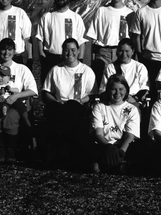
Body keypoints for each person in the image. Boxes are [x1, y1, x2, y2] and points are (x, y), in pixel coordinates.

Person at [42, 38, 97, 167]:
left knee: (72, 108)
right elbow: (46, 92)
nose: (70, 53)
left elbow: (92, 95)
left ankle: (71, 152)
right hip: (60, 105)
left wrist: (79, 101)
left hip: (79, 106)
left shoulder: (86, 70)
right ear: (62, 52)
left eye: (73, 50)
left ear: (78, 51)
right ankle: (57, 154)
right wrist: (56, 101)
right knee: (58, 112)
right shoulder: (56, 70)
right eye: (66, 50)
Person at [35, 0, 87, 84]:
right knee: (49, 89)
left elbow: (81, 41)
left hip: (71, 58)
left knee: (70, 88)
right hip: (50, 59)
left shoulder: (76, 18)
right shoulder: (47, 17)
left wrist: (80, 60)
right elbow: (39, 39)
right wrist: (43, 58)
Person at [86, 0, 134, 85]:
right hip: (103, 53)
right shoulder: (101, 11)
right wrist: (90, 60)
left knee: (120, 83)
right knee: (100, 83)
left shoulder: (130, 14)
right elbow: (92, 36)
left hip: (122, 53)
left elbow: (133, 39)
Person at [90, 74, 140, 174]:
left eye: (121, 89)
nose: (117, 93)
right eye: (113, 89)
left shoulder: (132, 109)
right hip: (105, 145)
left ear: (126, 90)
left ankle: (114, 164)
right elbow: (98, 134)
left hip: (124, 146)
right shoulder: (99, 107)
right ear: (108, 90)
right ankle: (116, 165)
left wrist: (121, 153)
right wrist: (109, 147)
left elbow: (130, 136)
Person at [100, 38, 149, 107]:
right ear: (117, 51)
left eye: (127, 51)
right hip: (115, 100)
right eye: (121, 51)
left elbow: (144, 88)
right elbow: (103, 89)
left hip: (134, 101)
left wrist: (134, 98)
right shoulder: (110, 67)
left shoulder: (140, 67)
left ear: (133, 51)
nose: (124, 54)